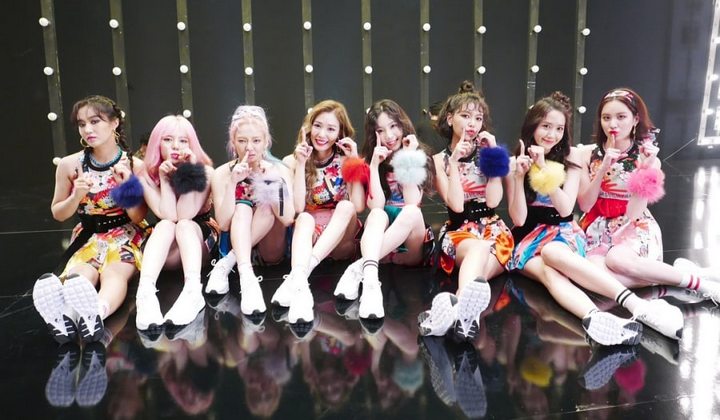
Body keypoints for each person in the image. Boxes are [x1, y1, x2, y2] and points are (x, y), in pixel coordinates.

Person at [505, 91, 660, 346]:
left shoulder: (572, 157)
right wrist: (519, 176)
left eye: (559, 128)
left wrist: (543, 169)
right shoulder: (515, 163)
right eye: (545, 126)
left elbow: (566, 209)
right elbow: (519, 219)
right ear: (532, 126)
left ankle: (624, 307)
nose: (551, 134)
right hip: (527, 238)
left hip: (561, 232)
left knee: (553, 253)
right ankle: (598, 318)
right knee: (550, 275)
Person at [577, 88, 716, 336]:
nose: (613, 124)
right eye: (606, 117)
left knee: (616, 261)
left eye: (621, 117)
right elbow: (585, 205)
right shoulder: (587, 153)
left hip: (632, 226)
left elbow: (634, 213)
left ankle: (698, 284)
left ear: (636, 119)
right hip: (596, 225)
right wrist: (603, 168)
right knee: (592, 276)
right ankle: (670, 277)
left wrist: (645, 170)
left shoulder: (647, 157)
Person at [32, 95, 149, 344]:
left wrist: (126, 187)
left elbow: (139, 216)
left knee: (114, 274)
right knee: (79, 275)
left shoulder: (134, 165)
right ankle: (65, 317)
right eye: (82, 124)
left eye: (95, 121)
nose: (88, 129)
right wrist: (76, 196)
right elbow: (58, 213)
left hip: (126, 234)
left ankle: (97, 313)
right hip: (89, 236)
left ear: (114, 123)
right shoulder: (69, 165)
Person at [418, 81, 514, 342]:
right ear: (450, 119)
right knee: (479, 252)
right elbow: (457, 205)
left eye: (478, 118)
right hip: (460, 232)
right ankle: (465, 313)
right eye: (465, 116)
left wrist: (493, 156)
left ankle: (454, 312)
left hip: (495, 231)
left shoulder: (488, 153)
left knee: (477, 278)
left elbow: (493, 201)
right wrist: (454, 162)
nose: (473, 124)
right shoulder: (439, 160)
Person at [335, 99, 435, 321]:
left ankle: (359, 267)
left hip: (409, 239)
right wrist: (373, 165)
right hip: (382, 237)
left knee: (411, 212)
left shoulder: (418, 155)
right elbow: (376, 205)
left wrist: (408, 157)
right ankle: (370, 279)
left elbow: (412, 201)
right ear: (374, 134)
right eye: (381, 130)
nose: (389, 135)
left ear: (402, 124)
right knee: (377, 214)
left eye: (393, 126)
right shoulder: (372, 161)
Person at [270, 100, 365, 324]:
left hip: (340, 236)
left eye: (331, 129)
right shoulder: (291, 161)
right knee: (303, 217)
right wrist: (302, 164)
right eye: (318, 126)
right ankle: (301, 285)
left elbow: (359, 205)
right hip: (311, 234)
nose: (322, 134)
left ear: (340, 133)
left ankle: (298, 277)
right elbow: (298, 208)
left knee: (347, 206)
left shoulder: (345, 160)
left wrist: (354, 161)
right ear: (308, 127)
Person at [207, 105, 294, 316]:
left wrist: (271, 182)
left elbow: (288, 218)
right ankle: (247, 278)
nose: (249, 148)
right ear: (233, 142)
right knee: (242, 206)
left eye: (256, 141)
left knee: (265, 205)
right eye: (242, 141)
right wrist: (233, 183)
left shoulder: (280, 169)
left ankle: (228, 262)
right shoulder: (222, 173)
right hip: (236, 242)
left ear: (266, 141)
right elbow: (223, 223)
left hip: (271, 249)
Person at [134, 115, 217, 330]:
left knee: (184, 225)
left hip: (197, 240)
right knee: (166, 225)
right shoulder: (145, 175)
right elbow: (169, 215)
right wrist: (164, 180)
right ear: (157, 143)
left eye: (183, 140)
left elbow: (185, 214)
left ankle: (192, 291)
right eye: (168, 139)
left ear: (192, 144)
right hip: (167, 247)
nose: (176, 146)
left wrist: (190, 172)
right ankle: (145, 294)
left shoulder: (205, 171)